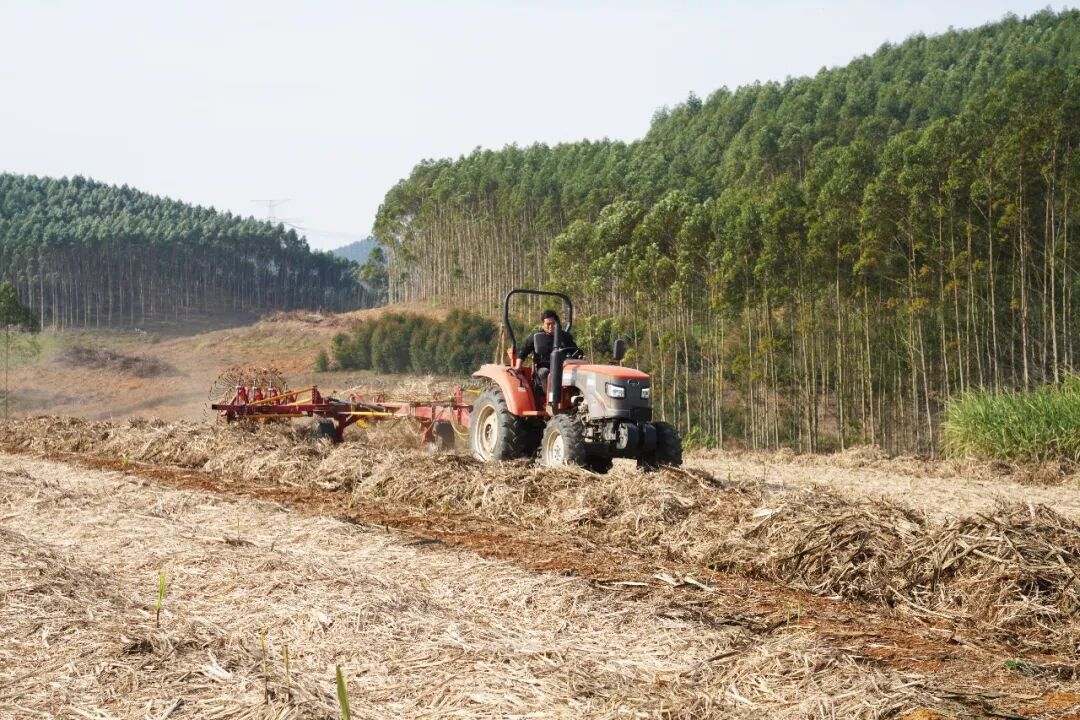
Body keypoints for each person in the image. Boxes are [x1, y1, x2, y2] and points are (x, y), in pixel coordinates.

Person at [514, 309, 582, 396]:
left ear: (557, 323)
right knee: (544, 372)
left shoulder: (565, 337)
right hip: (544, 367)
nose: (551, 326)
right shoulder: (536, 337)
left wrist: (580, 357)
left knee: (578, 372)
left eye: (553, 324)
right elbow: (523, 351)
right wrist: (518, 366)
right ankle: (551, 398)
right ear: (543, 324)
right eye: (548, 324)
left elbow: (575, 351)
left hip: (564, 367)